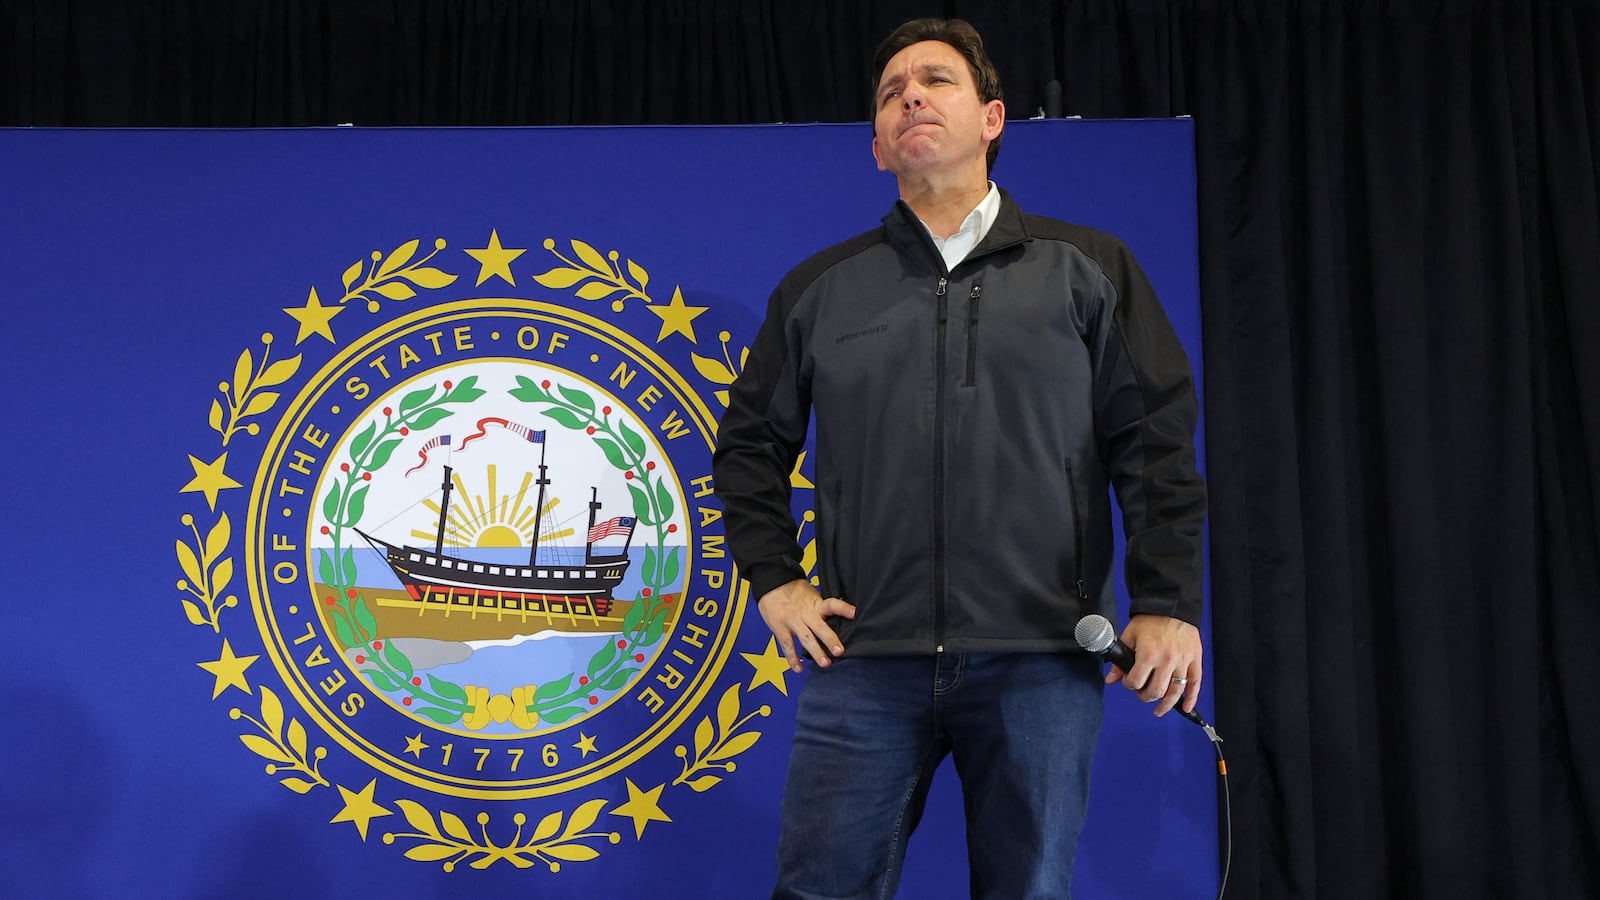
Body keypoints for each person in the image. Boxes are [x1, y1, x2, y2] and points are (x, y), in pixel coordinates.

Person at [711, 17, 1207, 899]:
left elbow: (1155, 441)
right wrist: (775, 579)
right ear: (875, 148)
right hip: (862, 657)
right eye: (892, 90)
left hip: (1042, 658)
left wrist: (1166, 600)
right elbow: (748, 443)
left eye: (936, 80)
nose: (911, 95)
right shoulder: (820, 290)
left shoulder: (1089, 269)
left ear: (993, 118)